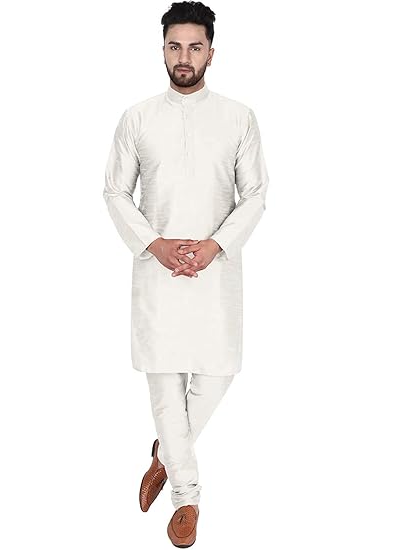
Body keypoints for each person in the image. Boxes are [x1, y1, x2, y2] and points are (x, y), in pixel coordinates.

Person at [103, 1, 269, 546]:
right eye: (175, 46)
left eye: (195, 47)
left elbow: (256, 194)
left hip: (217, 273)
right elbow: (115, 191)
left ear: (211, 53)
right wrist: (156, 244)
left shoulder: (239, 117)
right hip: (157, 273)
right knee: (165, 386)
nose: (184, 56)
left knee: (218, 373)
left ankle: (165, 451)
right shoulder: (137, 118)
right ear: (163, 50)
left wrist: (215, 245)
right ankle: (187, 498)